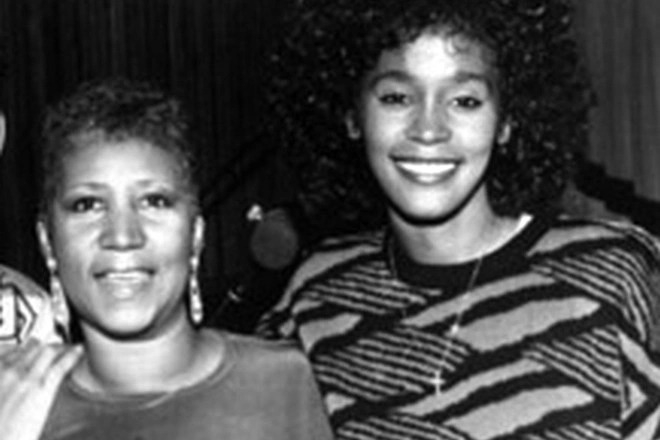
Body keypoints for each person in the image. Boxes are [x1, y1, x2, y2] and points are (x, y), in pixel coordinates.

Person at [256, 0, 660, 439]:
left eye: (465, 101)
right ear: (352, 116)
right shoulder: (316, 296)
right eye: (396, 97)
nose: (428, 129)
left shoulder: (612, 273)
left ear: (506, 122)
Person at [2, 77, 333, 440]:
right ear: (48, 242)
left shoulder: (300, 385)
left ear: (196, 235)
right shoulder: (13, 403)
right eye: (88, 205)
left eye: (154, 201)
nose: (122, 236)